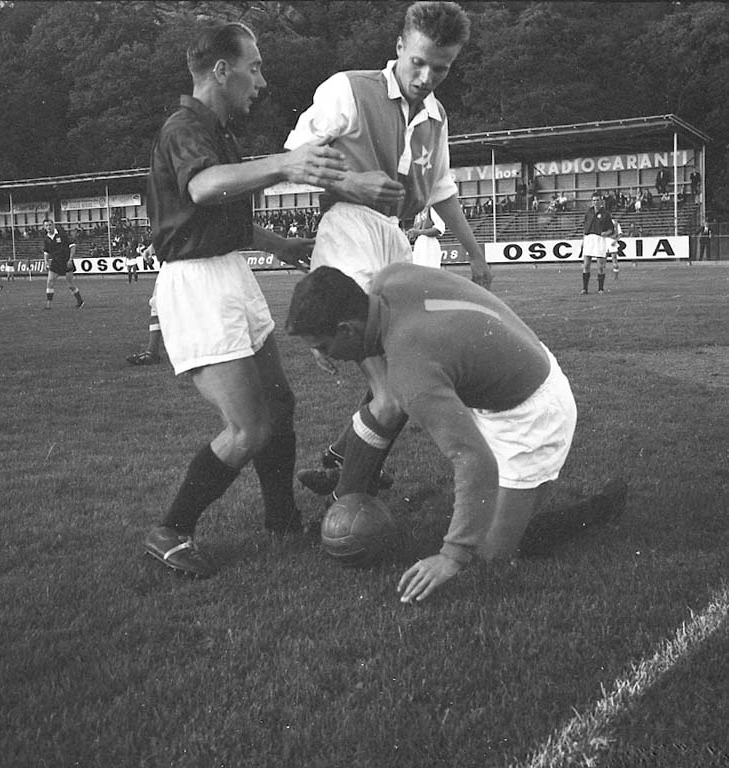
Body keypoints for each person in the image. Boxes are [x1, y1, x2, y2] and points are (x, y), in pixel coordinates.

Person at [285, 264, 628, 603]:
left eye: (322, 346)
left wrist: (453, 554)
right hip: (514, 367)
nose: (322, 355)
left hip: (531, 413)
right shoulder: (389, 277)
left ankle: (597, 509)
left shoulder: (411, 372)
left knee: (490, 556)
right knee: (490, 520)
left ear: (346, 329)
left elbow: (473, 459)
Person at [142, 21, 350, 578]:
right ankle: (171, 529)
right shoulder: (184, 127)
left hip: (229, 273)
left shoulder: (215, 131)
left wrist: (281, 246)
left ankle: (281, 519)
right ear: (221, 70)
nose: (261, 80)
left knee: (279, 406)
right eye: (253, 67)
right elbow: (203, 188)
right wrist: (285, 163)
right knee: (249, 428)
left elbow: (218, 212)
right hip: (198, 285)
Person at [284, 0, 490, 495]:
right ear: (399, 46)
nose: (426, 77)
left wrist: (476, 253)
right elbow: (295, 155)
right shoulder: (349, 88)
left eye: (441, 68)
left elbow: (441, 190)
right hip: (349, 228)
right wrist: (351, 182)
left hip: (394, 237)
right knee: (393, 391)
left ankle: (343, 461)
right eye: (417, 62)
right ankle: (346, 499)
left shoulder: (436, 116)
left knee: (409, 368)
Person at [42, 218, 84, 309]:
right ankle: (48, 305)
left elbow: (73, 246)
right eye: (46, 225)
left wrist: (70, 259)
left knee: (70, 284)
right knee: (49, 282)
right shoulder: (46, 239)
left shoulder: (62, 234)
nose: (48, 227)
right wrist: (46, 262)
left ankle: (80, 301)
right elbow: (46, 252)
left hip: (66, 261)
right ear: (44, 227)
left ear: (53, 225)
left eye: (50, 225)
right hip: (55, 262)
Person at [580, 191, 614, 294]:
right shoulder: (588, 212)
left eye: (597, 200)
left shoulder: (606, 214)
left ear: (601, 201)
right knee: (586, 264)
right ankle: (585, 289)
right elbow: (585, 227)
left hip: (599, 239)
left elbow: (611, 229)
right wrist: (583, 240)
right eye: (594, 200)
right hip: (589, 239)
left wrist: (606, 233)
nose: (595, 202)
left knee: (600, 265)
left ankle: (600, 288)